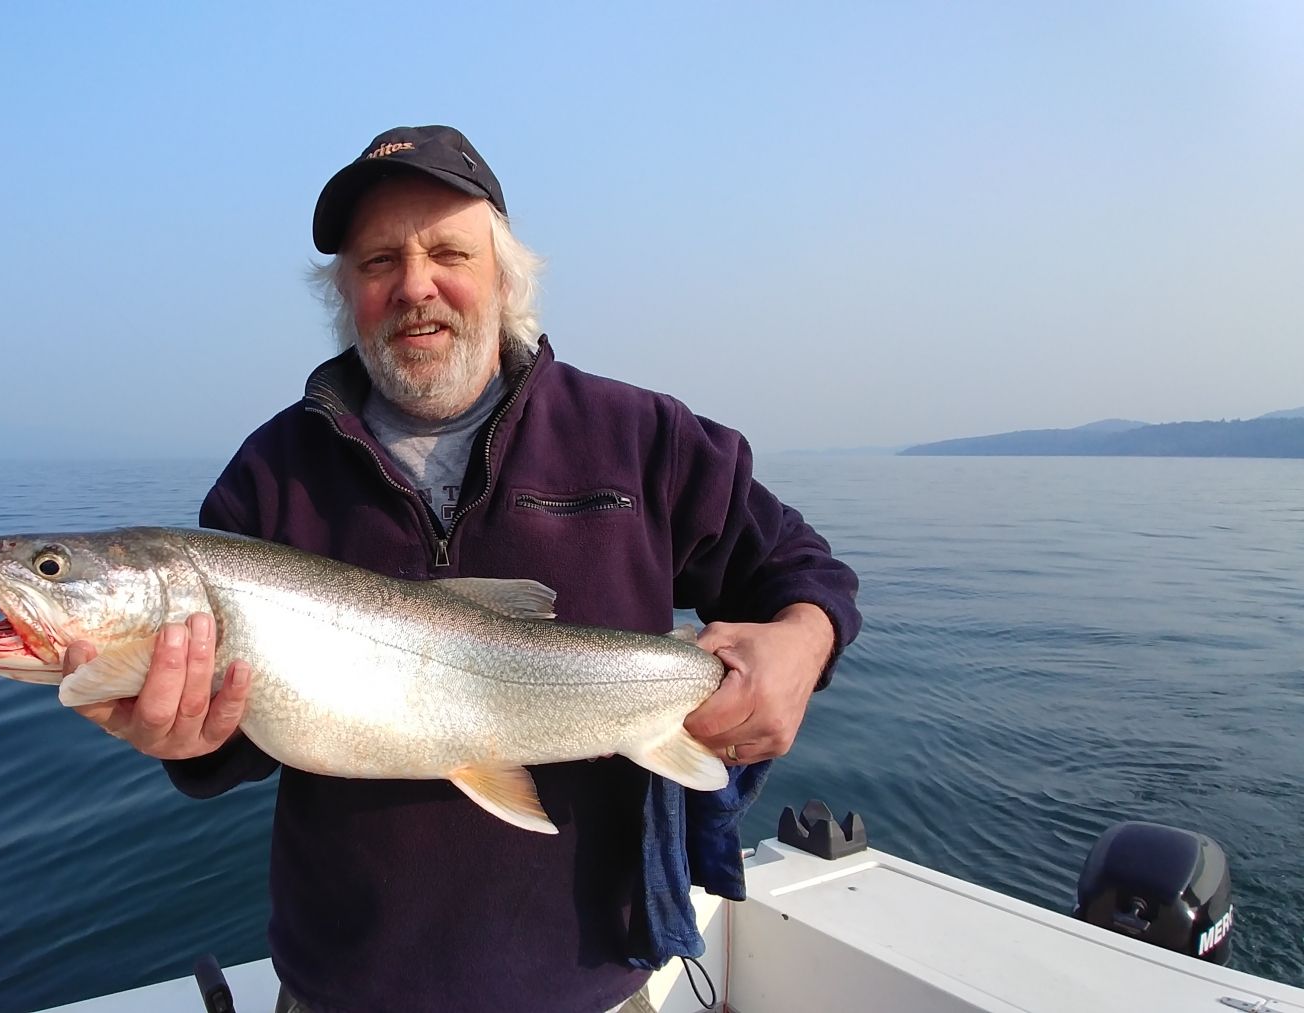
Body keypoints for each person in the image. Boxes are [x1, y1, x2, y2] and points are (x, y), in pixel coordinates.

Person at [63, 126, 861, 1013]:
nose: (414, 286)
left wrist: (801, 642)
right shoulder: (268, 477)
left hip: (592, 987)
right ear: (346, 295)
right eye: (377, 263)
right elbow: (235, 742)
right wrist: (188, 741)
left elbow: (801, 570)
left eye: (447, 251)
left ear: (505, 275)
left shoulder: (644, 437)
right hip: (345, 990)